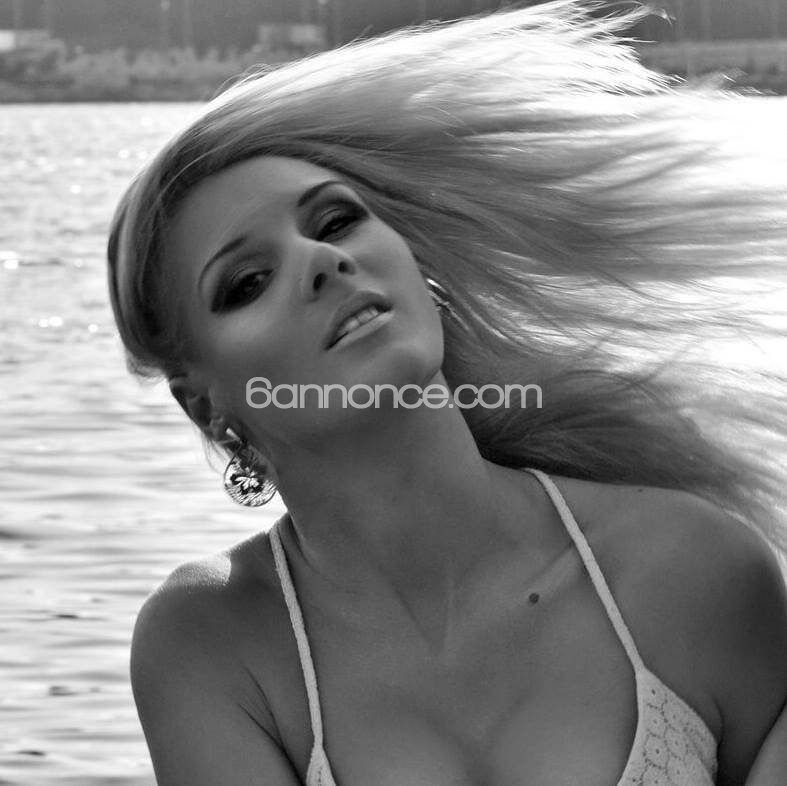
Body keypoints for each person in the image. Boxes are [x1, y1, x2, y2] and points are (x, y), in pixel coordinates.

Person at [107, 2, 787, 784]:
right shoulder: (213, 647)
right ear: (204, 405)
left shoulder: (691, 570)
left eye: (335, 222)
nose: (321, 262)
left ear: (418, 268)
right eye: (248, 281)